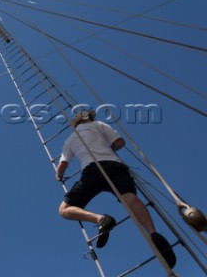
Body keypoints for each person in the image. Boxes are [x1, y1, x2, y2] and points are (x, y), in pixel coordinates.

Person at [56, 110, 176, 268]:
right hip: (115, 166)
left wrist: (59, 176)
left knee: (64, 210)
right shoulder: (99, 125)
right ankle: (152, 233)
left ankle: (101, 219)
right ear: (89, 118)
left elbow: (63, 165)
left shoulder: (71, 139)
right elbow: (119, 142)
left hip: (92, 171)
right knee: (130, 199)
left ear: (76, 123)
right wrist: (107, 148)